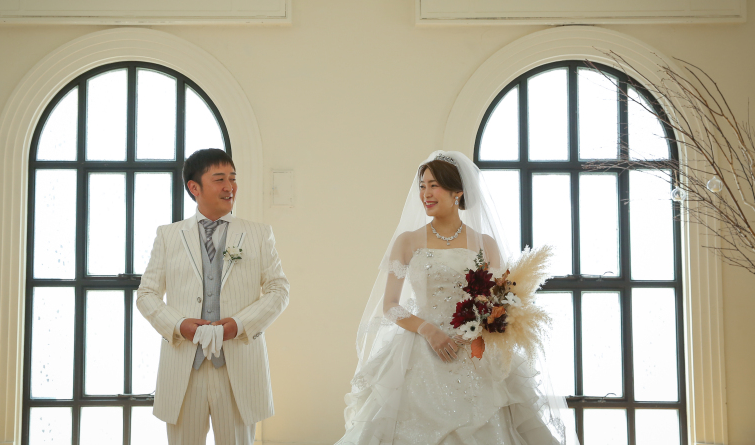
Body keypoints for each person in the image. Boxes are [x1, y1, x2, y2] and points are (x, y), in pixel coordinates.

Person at [337, 151, 577, 445]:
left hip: (474, 350)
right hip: (419, 348)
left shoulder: (485, 244)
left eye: (434, 185)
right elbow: (390, 306)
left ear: (457, 192)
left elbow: (499, 302)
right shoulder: (408, 241)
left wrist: (479, 327)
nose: (425, 194)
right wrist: (428, 329)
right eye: (422, 186)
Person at [137, 148, 290, 445]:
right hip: (184, 367)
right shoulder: (168, 236)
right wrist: (178, 325)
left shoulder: (258, 234)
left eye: (233, 178)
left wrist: (240, 324)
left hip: (238, 367)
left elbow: (279, 289)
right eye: (219, 179)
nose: (229, 186)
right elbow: (146, 294)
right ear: (194, 188)